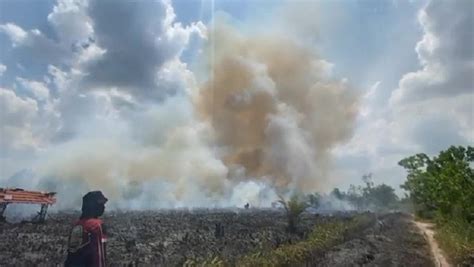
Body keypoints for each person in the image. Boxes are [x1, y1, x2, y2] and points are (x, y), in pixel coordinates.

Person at [65, 191, 108, 267]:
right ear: (94, 206)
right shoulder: (97, 226)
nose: (103, 207)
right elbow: (99, 255)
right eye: (100, 204)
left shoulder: (77, 224)